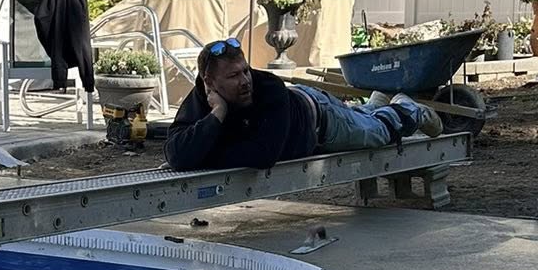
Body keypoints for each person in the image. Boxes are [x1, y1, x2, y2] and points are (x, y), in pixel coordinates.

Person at [166, 37, 441, 171]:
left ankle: (407, 109)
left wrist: (204, 153)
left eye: (245, 71)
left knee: (377, 133)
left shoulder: (269, 87)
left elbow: (263, 156)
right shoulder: (202, 97)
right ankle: (376, 104)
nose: (245, 81)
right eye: (233, 76)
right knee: (363, 118)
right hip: (304, 111)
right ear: (209, 81)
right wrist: (217, 114)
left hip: (320, 119)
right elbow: (175, 154)